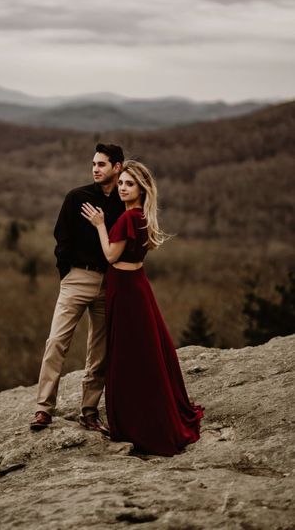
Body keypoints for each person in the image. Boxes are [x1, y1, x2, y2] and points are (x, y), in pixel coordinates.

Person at [81, 160, 204, 456]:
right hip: (138, 284)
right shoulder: (142, 217)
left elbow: (111, 256)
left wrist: (99, 225)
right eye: (121, 183)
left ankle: (141, 424)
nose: (123, 188)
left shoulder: (126, 219)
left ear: (142, 188)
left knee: (129, 355)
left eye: (129, 184)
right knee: (146, 351)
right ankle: (155, 413)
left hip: (124, 287)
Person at [30, 143, 125, 433]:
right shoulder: (77, 197)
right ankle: (43, 409)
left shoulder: (123, 201)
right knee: (56, 341)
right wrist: (66, 273)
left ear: (117, 167)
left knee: (100, 350)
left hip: (109, 282)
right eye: (93, 164)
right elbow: (61, 237)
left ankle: (89, 411)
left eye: (102, 164)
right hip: (76, 279)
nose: (96, 169)